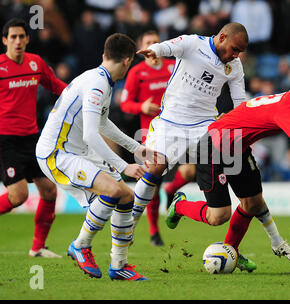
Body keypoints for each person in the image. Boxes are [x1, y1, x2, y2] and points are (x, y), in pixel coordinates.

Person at [166, 74, 290, 271]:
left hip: (237, 149)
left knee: (253, 203)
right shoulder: (287, 111)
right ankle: (179, 205)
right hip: (212, 147)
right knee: (219, 216)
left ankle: (232, 249)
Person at [130, 22, 256, 270]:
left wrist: (232, 117)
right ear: (221, 37)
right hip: (171, 122)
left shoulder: (235, 66)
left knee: (223, 184)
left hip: (205, 127)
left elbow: (240, 100)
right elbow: (166, 47)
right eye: (233, 49)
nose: (235, 55)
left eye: (239, 52)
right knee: (155, 167)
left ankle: (231, 245)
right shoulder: (192, 43)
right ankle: (130, 222)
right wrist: (154, 49)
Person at [36, 33, 160, 281]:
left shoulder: (101, 78)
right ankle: (81, 245)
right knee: (115, 192)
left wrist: (136, 148)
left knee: (125, 195)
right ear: (127, 62)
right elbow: (92, 135)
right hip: (57, 153)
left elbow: (102, 123)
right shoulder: (97, 84)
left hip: (76, 150)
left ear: (104, 55)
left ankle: (119, 265)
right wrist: (124, 165)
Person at [120, 30, 194, 246]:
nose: (152, 46)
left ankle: (172, 190)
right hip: (151, 134)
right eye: (148, 42)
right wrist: (141, 106)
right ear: (142, 48)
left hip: (180, 129)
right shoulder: (137, 73)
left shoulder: (173, 67)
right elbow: (125, 104)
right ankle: (154, 232)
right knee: (153, 185)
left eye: (155, 42)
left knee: (190, 170)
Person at [0, 18, 67, 258]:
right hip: (6, 140)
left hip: (32, 139)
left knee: (49, 191)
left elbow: (56, 85)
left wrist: (79, 94)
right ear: (5, 40)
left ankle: (38, 247)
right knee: (19, 196)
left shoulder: (35, 63)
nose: (17, 41)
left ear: (27, 39)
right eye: (13, 37)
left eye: (21, 37)